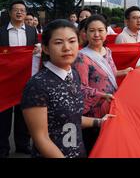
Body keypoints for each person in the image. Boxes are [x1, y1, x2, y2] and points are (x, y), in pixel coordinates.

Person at [21, 19, 114, 158]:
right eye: (58, 43)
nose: (67, 47)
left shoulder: (74, 76)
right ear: (46, 48)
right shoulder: (37, 85)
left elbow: (71, 118)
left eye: (72, 41)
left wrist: (100, 122)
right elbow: (41, 138)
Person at [72, 15, 131, 154]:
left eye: (100, 30)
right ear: (85, 33)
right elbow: (81, 87)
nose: (97, 34)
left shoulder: (107, 51)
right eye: (92, 31)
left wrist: (126, 72)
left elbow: (110, 74)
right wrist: (103, 95)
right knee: (94, 147)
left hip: (110, 107)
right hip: (93, 112)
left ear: (106, 32)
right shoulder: (82, 57)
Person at [0, 0, 39, 157]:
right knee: (3, 115)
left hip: (25, 79)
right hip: (5, 81)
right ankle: (3, 147)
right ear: (10, 13)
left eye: (22, 10)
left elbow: (35, 51)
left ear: (25, 13)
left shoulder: (31, 31)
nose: (19, 13)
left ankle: (23, 144)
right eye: (16, 10)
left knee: (24, 113)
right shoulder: (1, 32)